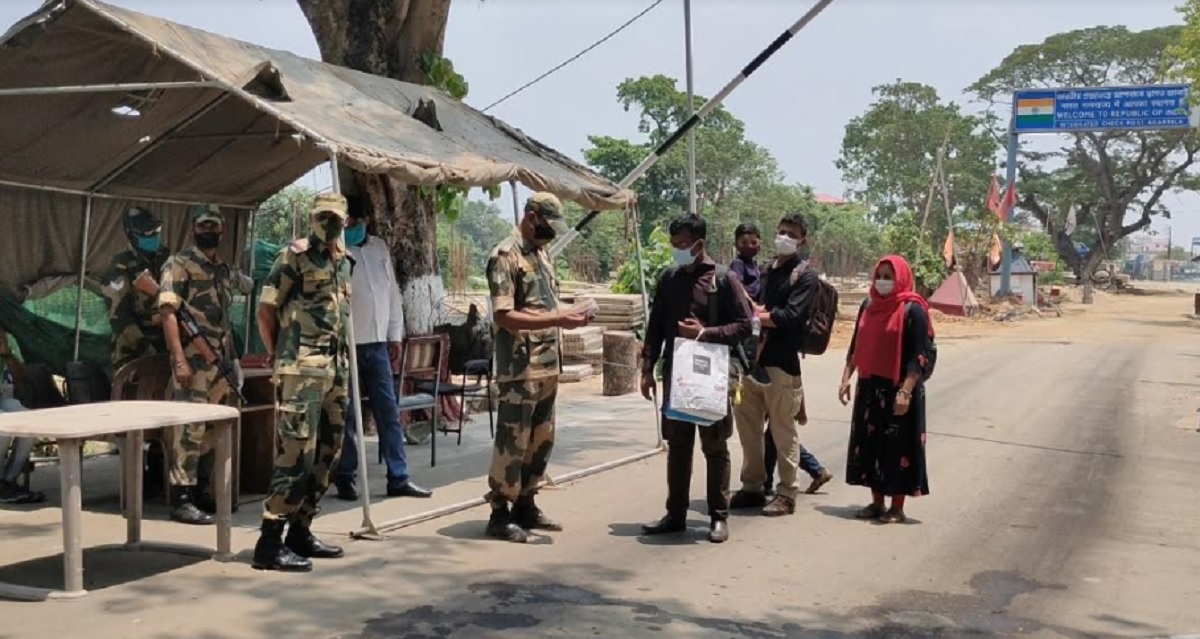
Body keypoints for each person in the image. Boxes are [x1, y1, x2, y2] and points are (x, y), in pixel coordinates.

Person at [253, 192, 354, 572]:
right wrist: (280, 353)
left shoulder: (345, 262)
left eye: (335, 218)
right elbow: (266, 309)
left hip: (335, 370)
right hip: (301, 370)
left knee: (329, 452)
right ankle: (268, 542)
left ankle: (301, 530)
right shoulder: (292, 256)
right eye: (322, 216)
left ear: (345, 220)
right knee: (295, 453)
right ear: (312, 218)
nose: (329, 224)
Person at [483, 192, 588, 543]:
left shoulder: (541, 254)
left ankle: (526, 502)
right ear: (530, 217)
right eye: (546, 225)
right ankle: (500, 511)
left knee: (541, 439)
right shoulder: (504, 256)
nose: (551, 234)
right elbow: (503, 314)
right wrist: (560, 317)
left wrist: (571, 310)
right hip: (520, 366)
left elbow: (543, 303)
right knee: (513, 441)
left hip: (546, 363)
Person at [640, 214, 752, 543]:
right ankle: (675, 514)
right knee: (678, 447)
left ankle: (719, 517)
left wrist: (705, 333)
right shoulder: (669, 279)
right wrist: (648, 367)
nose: (677, 251)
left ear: (699, 244)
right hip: (677, 375)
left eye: (682, 245)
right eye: (674, 245)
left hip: (710, 375)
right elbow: (656, 326)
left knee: (715, 446)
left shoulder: (723, 279)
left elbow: (746, 326)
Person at [332, 196, 432, 502]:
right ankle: (345, 477)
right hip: (345, 344)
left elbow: (391, 294)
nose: (352, 227)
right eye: (347, 223)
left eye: (357, 223)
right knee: (347, 415)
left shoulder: (378, 248)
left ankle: (398, 477)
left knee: (388, 412)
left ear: (366, 223)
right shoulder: (333, 250)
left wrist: (394, 335)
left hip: (376, 345)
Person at [158, 204, 252, 526]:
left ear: (222, 231)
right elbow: (169, 313)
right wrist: (179, 360)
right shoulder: (179, 263)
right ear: (193, 228)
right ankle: (181, 497)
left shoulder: (222, 269)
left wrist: (235, 360)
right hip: (194, 360)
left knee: (214, 427)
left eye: (214, 226)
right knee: (188, 429)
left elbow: (234, 307)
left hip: (220, 360)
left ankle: (200, 490)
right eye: (203, 226)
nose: (209, 231)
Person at [730, 212, 828, 517]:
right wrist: (753, 310)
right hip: (753, 362)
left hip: (782, 366)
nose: (784, 237)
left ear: (802, 240)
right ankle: (753, 486)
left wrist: (756, 317)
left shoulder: (806, 276)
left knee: (783, 432)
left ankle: (787, 493)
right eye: (781, 231)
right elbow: (763, 308)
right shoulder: (766, 271)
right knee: (748, 429)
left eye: (791, 233)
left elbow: (789, 316)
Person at [838, 255, 932, 524]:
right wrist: (846, 378)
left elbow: (919, 355)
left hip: (899, 388)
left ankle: (896, 506)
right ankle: (877, 502)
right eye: (879, 275)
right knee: (870, 445)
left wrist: (905, 391)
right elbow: (857, 345)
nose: (882, 281)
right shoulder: (868, 305)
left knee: (896, 447)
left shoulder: (913, 310)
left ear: (901, 278)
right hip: (869, 387)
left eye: (889, 276)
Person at [103, 207, 172, 498]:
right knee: (136, 420)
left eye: (156, 232)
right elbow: (119, 318)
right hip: (134, 354)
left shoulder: (166, 259)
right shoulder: (120, 267)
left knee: (167, 414)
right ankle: (135, 482)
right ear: (132, 235)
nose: (153, 237)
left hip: (168, 350)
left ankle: (161, 472)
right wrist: (148, 351)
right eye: (147, 233)